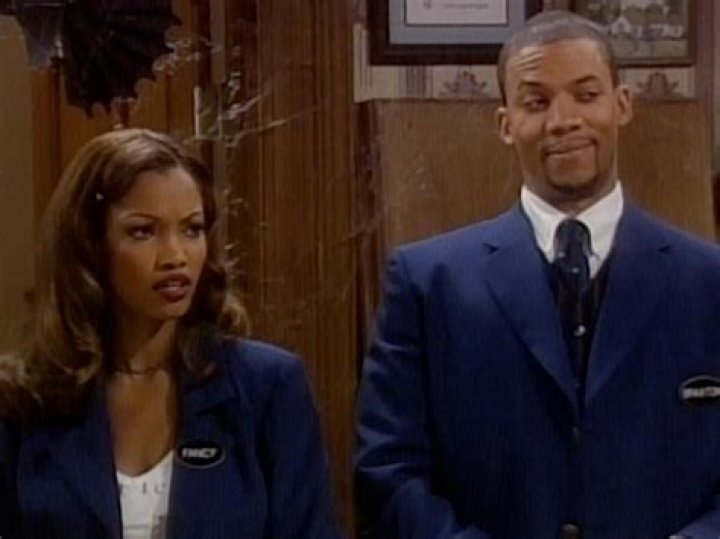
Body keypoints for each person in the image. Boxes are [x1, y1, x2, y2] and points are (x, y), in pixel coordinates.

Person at [355, 10, 720, 539]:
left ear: (622, 104)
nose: (563, 120)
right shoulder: (426, 284)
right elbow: (387, 475)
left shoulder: (708, 282)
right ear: (505, 124)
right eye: (537, 102)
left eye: (586, 95)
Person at [0, 128, 342, 538]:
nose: (176, 256)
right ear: (90, 244)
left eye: (191, 229)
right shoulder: (24, 403)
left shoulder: (267, 388)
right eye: (143, 232)